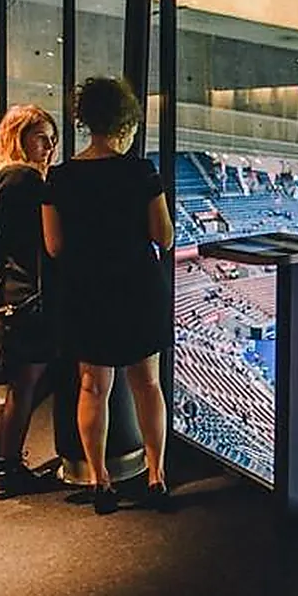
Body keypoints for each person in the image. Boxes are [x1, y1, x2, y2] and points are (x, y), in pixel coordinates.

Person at [43, 77, 173, 515]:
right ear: (126, 122)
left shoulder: (58, 178)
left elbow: (54, 246)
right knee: (147, 384)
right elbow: (164, 237)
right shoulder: (141, 172)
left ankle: (100, 480)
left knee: (92, 387)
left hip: (87, 290)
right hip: (137, 287)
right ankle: (156, 475)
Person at [0, 104, 59, 500]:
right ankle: (8, 471)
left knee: (25, 385)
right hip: (27, 298)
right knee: (27, 387)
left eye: (52, 138)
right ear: (18, 137)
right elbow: (45, 240)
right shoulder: (24, 179)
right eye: (42, 138)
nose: (50, 146)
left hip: (4, 299)